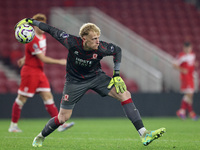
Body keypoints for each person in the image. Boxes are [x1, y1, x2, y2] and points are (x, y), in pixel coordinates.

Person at [15, 18, 166, 147]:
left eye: (98, 37)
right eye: (94, 38)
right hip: (74, 82)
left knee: (125, 94)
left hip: (96, 77)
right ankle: (40, 136)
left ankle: (144, 134)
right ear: (84, 39)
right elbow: (50, 29)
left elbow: (117, 50)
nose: (97, 41)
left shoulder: (101, 47)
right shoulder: (71, 42)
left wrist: (117, 74)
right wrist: (30, 21)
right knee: (63, 118)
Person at [9, 13, 74, 133]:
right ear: (34, 26)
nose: (42, 27)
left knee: (48, 97)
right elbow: (42, 58)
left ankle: (59, 124)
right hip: (30, 72)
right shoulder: (32, 39)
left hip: (39, 72)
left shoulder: (42, 37)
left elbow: (33, 53)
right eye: (40, 25)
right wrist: (60, 61)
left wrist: (24, 58)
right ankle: (13, 126)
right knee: (21, 99)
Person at [173, 42, 198, 120]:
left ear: (191, 48)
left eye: (189, 48)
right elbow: (174, 65)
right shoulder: (181, 56)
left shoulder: (192, 55)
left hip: (191, 77)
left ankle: (183, 111)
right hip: (185, 77)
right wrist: (182, 69)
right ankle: (190, 113)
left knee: (190, 95)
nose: (188, 49)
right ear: (184, 48)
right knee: (189, 94)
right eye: (186, 48)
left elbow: (191, 65)